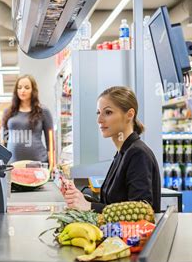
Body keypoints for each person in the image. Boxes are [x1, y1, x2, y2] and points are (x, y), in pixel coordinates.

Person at [62, 86, 161, 214]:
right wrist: (80, 199)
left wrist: (89, 206)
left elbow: (141, 210)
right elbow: (112, 204)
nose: (99, 120)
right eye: (98, 113)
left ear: (129, 115)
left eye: (108, 112)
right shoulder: (122, 153)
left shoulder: (138, 153)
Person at [2, 74, 54, 164]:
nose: (22, 91)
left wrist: (53, 164)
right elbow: (4, 140)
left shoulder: (43, 111)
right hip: (13, 164)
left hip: (38, 163)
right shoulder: (8, 112)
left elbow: (50, 141)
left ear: (33, 90)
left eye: (27, 87)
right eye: (19, 87)